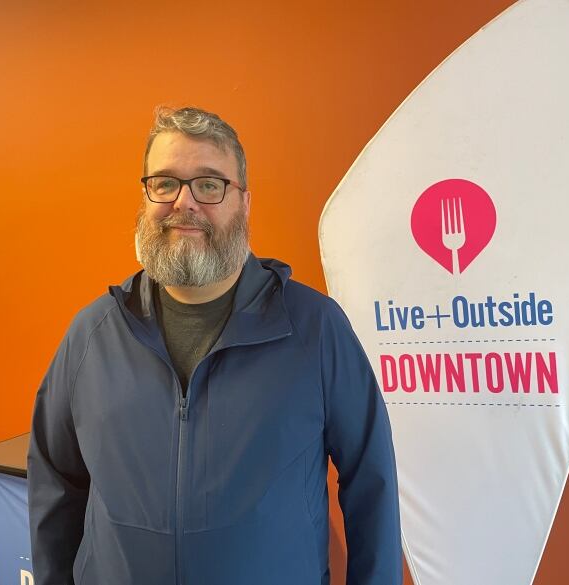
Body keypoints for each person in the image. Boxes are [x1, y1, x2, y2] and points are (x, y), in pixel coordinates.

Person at [27, 106, 402, 585]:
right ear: (146, 197)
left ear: (244, 203)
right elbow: (55, 483)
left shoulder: (314, 328)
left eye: (209, 184)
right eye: (165, 183)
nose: (184, 202)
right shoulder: (91, 336)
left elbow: (372, 481)